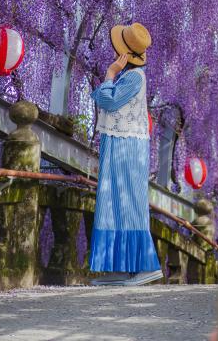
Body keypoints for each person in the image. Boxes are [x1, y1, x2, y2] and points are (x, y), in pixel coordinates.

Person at [89, 22, 162, 286]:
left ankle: (144, 266)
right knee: (113, 202)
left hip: (127, 147)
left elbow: (107, 100)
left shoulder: (133, 77)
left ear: (124, 54)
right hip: (120, 143)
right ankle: (120, 267)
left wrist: (110, 73)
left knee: (128, 203)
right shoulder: (130, 78)